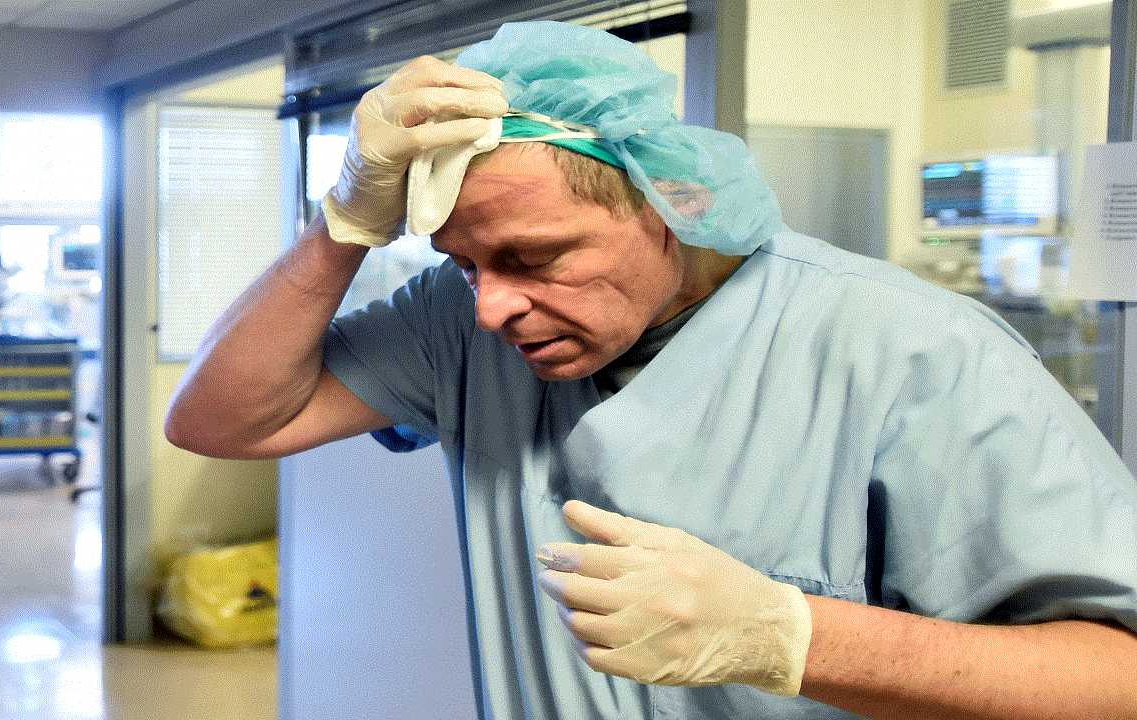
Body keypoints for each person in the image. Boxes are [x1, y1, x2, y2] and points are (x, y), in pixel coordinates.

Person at [166, 20, 1137, 720]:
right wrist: (344, 222)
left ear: (670, 203)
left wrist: (789, 637)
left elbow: (1113, 676)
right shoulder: (457, 326)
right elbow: (222, 421)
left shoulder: (910, 352)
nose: (492, 306)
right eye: (464, 264)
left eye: (534, 257)